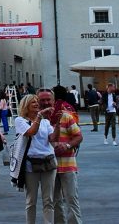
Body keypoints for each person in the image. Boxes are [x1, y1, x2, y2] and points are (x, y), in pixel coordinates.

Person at [12, 90, 59, 224]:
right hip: (30, 164)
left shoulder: (45, 122)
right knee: (31, 200)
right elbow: (31, 132)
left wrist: (58, 123)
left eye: (37, 102)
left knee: (48, 200)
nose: (37, 104)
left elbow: (53, 138)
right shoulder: (20, 121)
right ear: (26, 105)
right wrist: (39, 117)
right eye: (33, 102)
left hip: (48, 161)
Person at [51, 86, 83, 224]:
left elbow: (78, 136)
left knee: (70, 199)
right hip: (50, 166)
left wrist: (68, 145)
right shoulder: (40, 118)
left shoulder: (66, 114)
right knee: (55, 200)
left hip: (67, 164)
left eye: (49, 99)